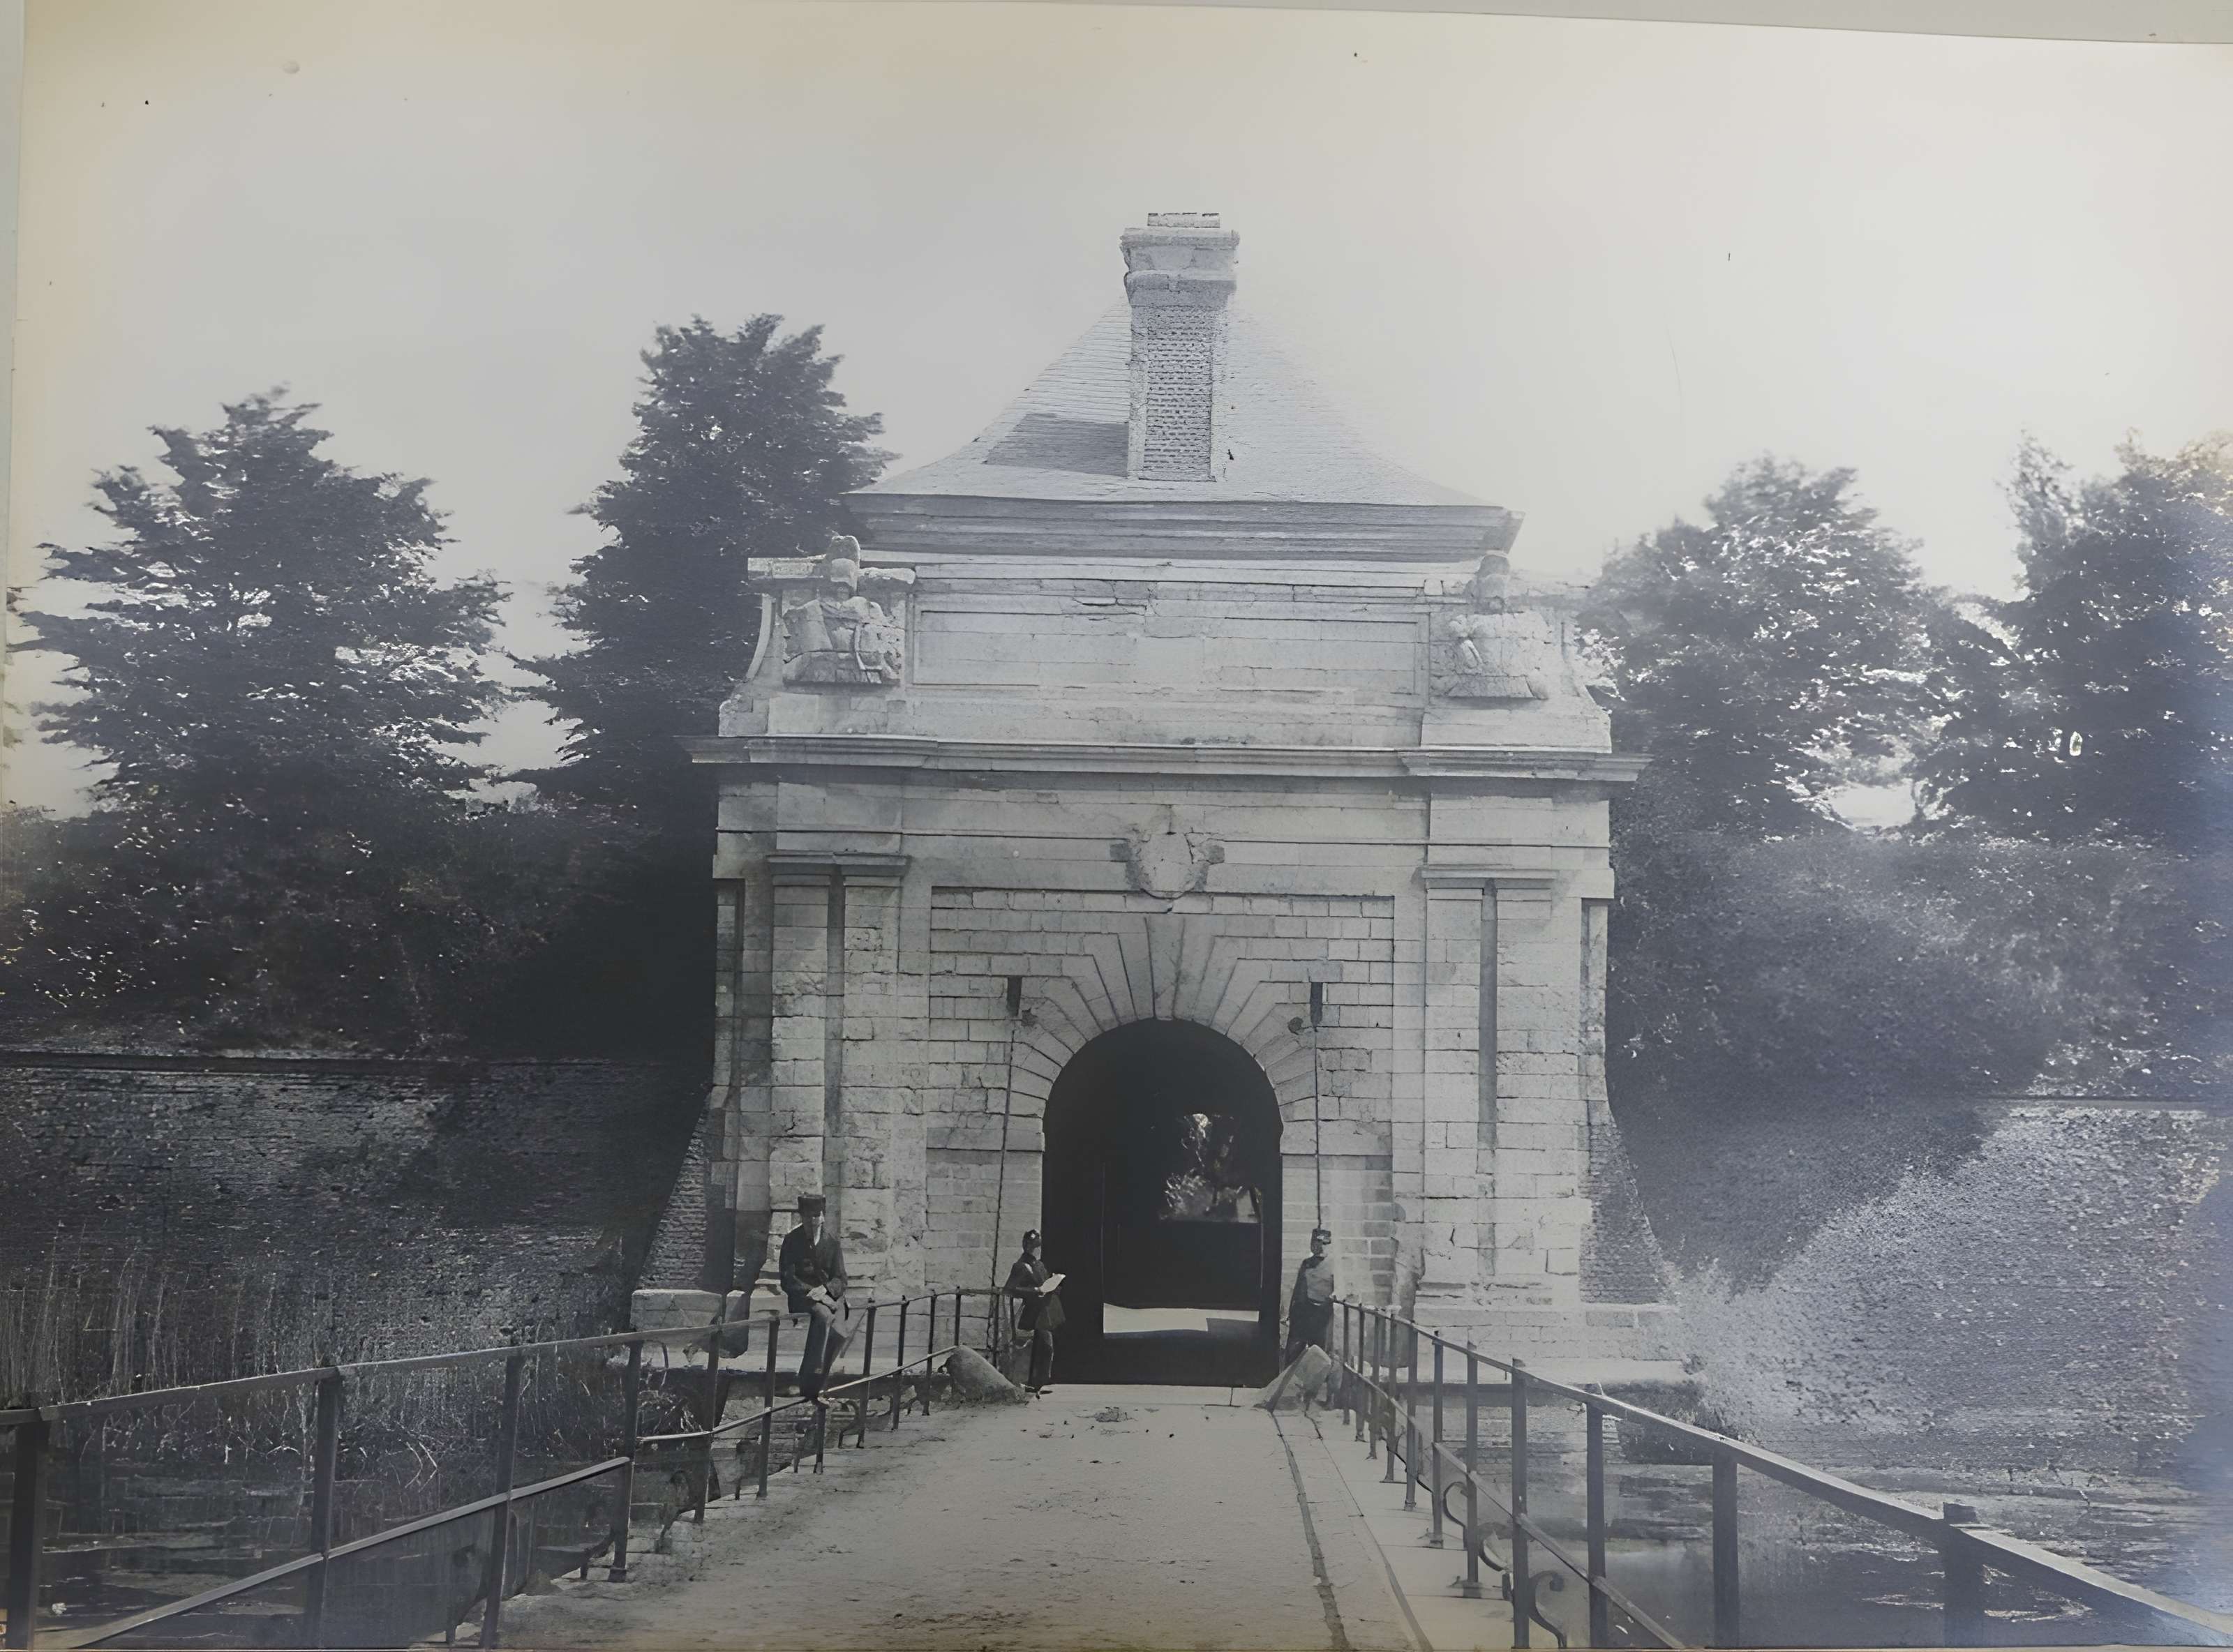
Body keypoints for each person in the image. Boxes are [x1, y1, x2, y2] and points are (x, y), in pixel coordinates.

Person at [778, 1193, 849, 1406]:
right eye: (808, 1216)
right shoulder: (792, 1241)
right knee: (823, 1315)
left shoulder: (831, 1242)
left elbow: (841, 1277)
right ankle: (811, 1385)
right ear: (801, 1217)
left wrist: (827, 1291)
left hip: (829, 1297)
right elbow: (787, 1279)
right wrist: (814, 1293)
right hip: (803, 1297)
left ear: (823, 1217)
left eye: (817, 1216)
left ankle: (817, 1380)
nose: (813, 1221)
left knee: (840, 1334)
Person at [1004, 1230, 1064, 1396]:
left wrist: (1053, 1286)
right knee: (1042, 1346)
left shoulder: (1039, 1265)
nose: (1035, 1249)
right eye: (1032, 1246)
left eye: (1037, 1246)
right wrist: (1035, 1290)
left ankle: (1038, 1382)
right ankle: (1033, 1382)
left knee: (1045, 1347)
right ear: (1025, 1246)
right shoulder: (1020, 1266)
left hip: (1046, 1312)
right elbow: (1009, 1289)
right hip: (1034, 1312)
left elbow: (1044, 1282)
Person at [1285, 1227, 1337, 1370]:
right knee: (1293, 1350)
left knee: (1318, 1352)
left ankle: (1313, 1386)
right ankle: (1288, 1383)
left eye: (1324, 1243)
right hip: (1301, 1313)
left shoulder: (1334, 1266)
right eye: (1316, 1243)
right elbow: (1297, 1289)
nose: (1319, 1247)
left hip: (1321, 1315)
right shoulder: (1306, 1264)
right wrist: (1289, 1314)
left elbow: (1339, 1291)